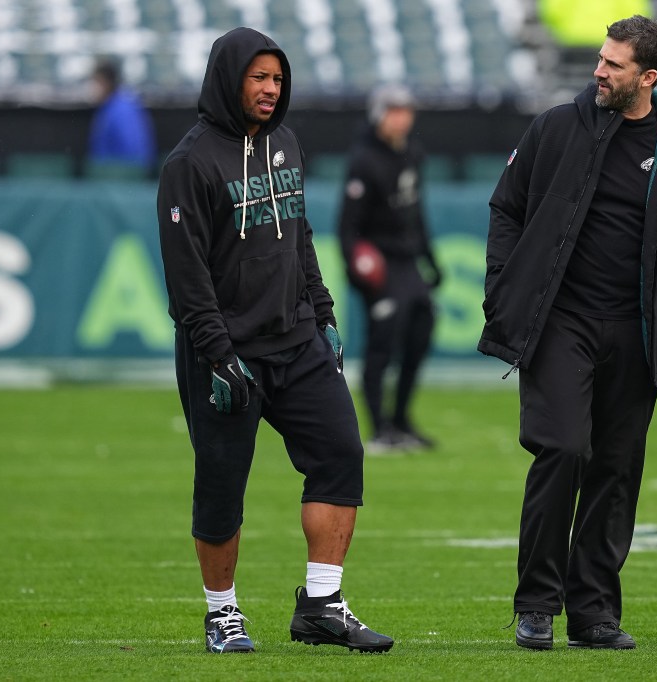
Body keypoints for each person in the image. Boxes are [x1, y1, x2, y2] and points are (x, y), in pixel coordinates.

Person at [478, 15, 657, 650]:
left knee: (615, 469)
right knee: (561, 449)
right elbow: (506, 209)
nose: (599, 72)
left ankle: (592, 615)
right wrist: (504, 287)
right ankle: (536, 605)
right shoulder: (557, 127)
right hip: (560, 322)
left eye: (614, 65)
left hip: (638, 332)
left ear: (648, 76)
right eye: (600, 59)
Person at [156, 27, 393, 655]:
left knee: (341, 452)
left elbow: (299, 233)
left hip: (297, 339)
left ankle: (321, 603)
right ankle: (222, 614)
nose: (270, 90)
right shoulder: (189, 162)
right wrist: (217, 353)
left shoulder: (285, 142)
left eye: (277, 79)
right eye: (258, 78)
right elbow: (186, 278)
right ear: (229, 80)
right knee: (221, 485)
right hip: (226, 352)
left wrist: (324, 312)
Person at [337, 84, 442, 453]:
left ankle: (400, 420)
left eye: (406, 110)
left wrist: (430, 260)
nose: (402, 118)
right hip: (380, 264)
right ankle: (379, 427)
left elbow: (416, 212)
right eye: (394, 111)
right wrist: (359, 268)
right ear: (379, 114)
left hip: (408, 262)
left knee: (419, 335)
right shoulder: (364, 159)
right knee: (381, 345)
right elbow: (347, 227)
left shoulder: (412, 152)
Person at [88, 60, 156, 172]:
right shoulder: (122, 104)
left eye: (95, 82)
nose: (91, 88)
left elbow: (134, 155)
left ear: (105, 82)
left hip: (120, 178)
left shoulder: (120, 110)